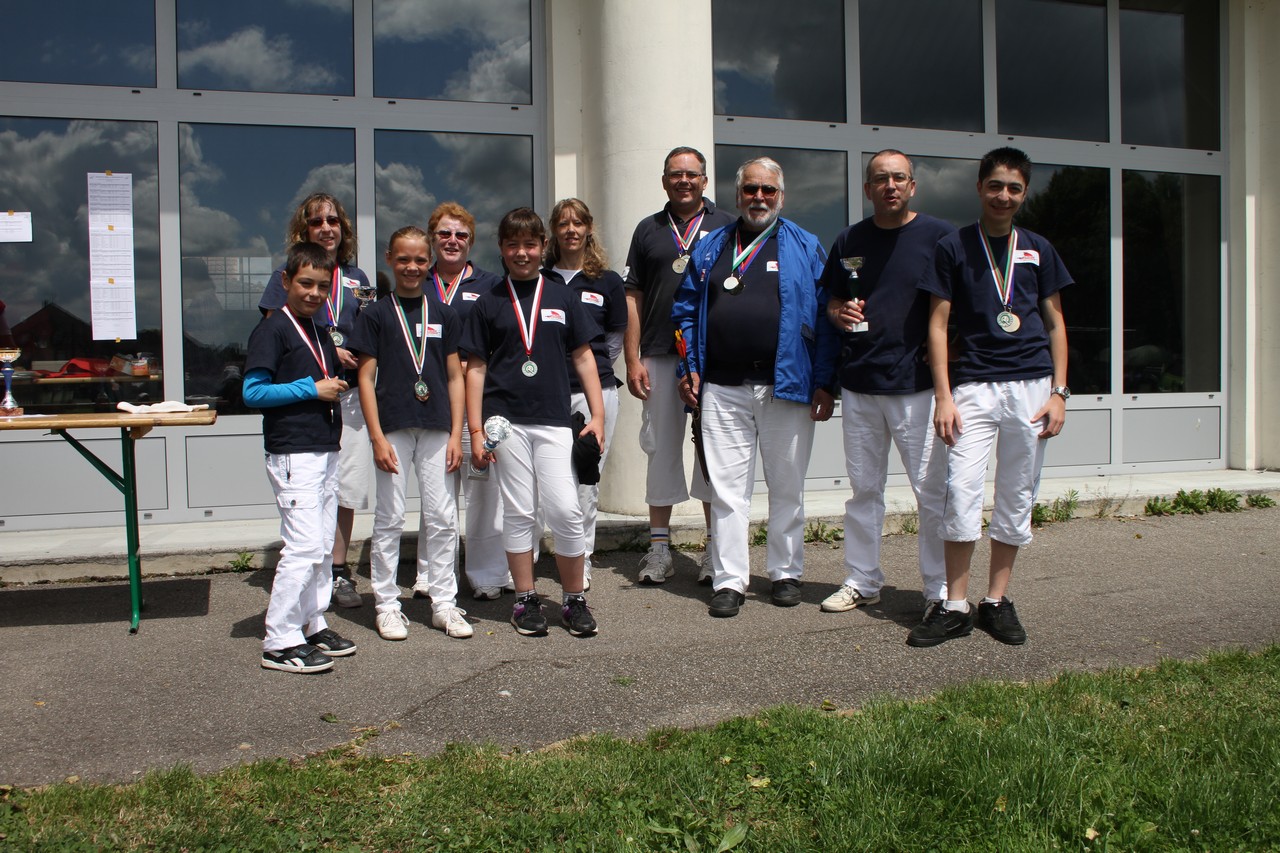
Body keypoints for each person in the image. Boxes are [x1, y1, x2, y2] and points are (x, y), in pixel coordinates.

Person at [912, 146, 1071, 647]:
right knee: (959, 491)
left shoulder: (1039, 248)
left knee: (1017, 494)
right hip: (974, 386)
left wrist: (1059, 392)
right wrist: (943, 395)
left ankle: (996, 601)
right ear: (980, 187)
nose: (1004, 196)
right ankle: (954, 605)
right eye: (996, 185)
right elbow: (937, 325)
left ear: (1025, 193)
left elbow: (1055, 323)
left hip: (1031, 385)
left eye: (1015, 188)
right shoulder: (954, 247)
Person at [672, 157, 838, 618]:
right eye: (750, 190)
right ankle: (729, 580)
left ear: (781, 196)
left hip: (786, 387)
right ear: (738, 194)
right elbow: (683, 312)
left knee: (788, 487)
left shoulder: (806, 245)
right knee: (727, 491)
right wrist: (689, 368)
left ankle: (785, 574)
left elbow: (827, 319)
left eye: (767, 190)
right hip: (721, 388)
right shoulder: (711, 247)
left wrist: (825, 382)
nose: (758, 198)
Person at [818, 150, 957, 617]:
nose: (890, 186)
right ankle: (863, 579)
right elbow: (831, 301)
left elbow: (962, 304)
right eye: (881, 179)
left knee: (929, 492)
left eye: (899, 178)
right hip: (859, 384)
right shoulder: (849, 239)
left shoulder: (940, 237)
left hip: (916, 386)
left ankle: (938, 591)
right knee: (863, 490)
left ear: (913, 186)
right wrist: (839, 313)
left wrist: (948, 369)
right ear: (868, 188)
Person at [461, 208, 606, 637]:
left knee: (565, 509)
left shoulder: (561, 296)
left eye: (529, 244)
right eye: (512, 245)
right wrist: (474, 431)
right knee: (520, 511)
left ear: (543, 246)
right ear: (502, 249)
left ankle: (574, 598)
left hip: (553, 418)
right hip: (504, 422)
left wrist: (597, 414)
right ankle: (525, 600)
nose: (521, 253)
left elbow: (584, 356)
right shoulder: (489, 302)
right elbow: (475, 368)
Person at [349, 226, 471, 641]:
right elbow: (365, 379)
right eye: (404, 259)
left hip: (438, 427)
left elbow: (455, 376)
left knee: (442, 517)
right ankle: (386, 604)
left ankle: (444, 603)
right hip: (394, 427)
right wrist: (376, 436)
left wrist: (457, 434)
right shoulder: (376, 314)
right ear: (390, 259)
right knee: (390, 517)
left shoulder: (445, 314)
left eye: (420, 259)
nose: (413, 267)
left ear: (429, 260)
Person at [623, 146, 735, 585]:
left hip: (711, 356)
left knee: (713, 452)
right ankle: (658, 550)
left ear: (705, 181)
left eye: (692, 174)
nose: (683, 180)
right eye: (675, 174)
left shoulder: (726, 224)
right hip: (657, 352)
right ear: (664, 180)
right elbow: (632, 295)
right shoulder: (648, 229)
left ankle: (714, 549)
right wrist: (631, 358)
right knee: (661, 450)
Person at [244, 241, 356, 673]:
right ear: (286, 282)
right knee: (304, 546)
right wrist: (313, 389)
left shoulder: (318, 329)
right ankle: (279, 638)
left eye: (322, 286)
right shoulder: (272, 329)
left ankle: (312, 621)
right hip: (294, 453)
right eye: (305, 283)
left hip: (324, 449)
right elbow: (252, 392)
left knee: (323, 545)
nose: (313, 292)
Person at [258, 193, 373, 610]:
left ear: (343, 228)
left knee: (343, 487)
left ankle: (337, 569)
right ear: (303, 231)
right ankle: (304, 567)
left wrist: (354, 352)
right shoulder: (285, 276)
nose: (326, 227)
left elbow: (370, 330)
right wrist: (327, 352)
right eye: (317, 222)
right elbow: (281, 335)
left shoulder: (359, 278)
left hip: (350, 393)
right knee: (307, 488)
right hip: (306, 398)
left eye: (333, 220)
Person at [423, 202, 510, 600]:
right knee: (436, 493)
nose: (452, 241)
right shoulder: (418, 284)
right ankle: (431, 574)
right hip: (434, 405)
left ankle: (487, 573)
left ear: (471, 241)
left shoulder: (491, 285)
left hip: (478, 403)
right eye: (444, 233)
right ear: (432, 238)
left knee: (482, 492)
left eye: (460, 234)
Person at [542, 198, 627, 590]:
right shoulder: (542, 279)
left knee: (586, 481)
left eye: (578, 223)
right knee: (551, 480)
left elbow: (612, 342)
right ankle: (556, 552)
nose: (571, 230)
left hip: (596, 395)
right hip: (548, 395)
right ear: (554, 231)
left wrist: (588, 374)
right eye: (563, 223)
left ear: (589, 228)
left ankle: (582, 559)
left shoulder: (606, 280)